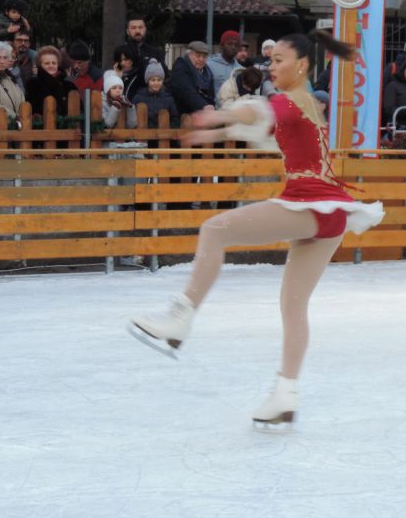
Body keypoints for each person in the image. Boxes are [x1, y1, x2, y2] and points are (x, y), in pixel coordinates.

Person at [127, 30, 384, 427]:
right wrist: (217, 131)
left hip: (311, 203)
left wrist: (220, 115)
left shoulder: (294, 99)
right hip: (329, 213)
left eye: (279, 60)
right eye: (270, 60)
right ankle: (286, 394)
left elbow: (258, 114)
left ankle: (181, 316)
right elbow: (263, 127)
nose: (271, 66)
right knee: (293, 307)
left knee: (214, 230)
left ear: (302, 65)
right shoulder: (301, 104)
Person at [169, 40, 215, 118]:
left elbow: (211, 95)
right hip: (182, 115)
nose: (201, 59)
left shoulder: (207, 72)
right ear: (189, 54)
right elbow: (186, 91)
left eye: (204, 57)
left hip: (203, 115)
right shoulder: (181, 67)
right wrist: (203, 106)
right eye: (198, 56)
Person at [26, 46, 76, 116]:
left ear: (58, 64)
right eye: (47, 63)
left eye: (54, 63)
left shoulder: (69, 85)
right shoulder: (34, 84)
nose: (51, 66)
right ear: (40, 65)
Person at [131, 60, 177, 128]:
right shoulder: (138, 98)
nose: (156, 83)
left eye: (159, 80)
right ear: (148, 81)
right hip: (142, 133)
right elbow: (131, 118)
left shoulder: (168, 99)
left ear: (162, 81)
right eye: (153, 80)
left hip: (163, 133)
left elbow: (175, 119)